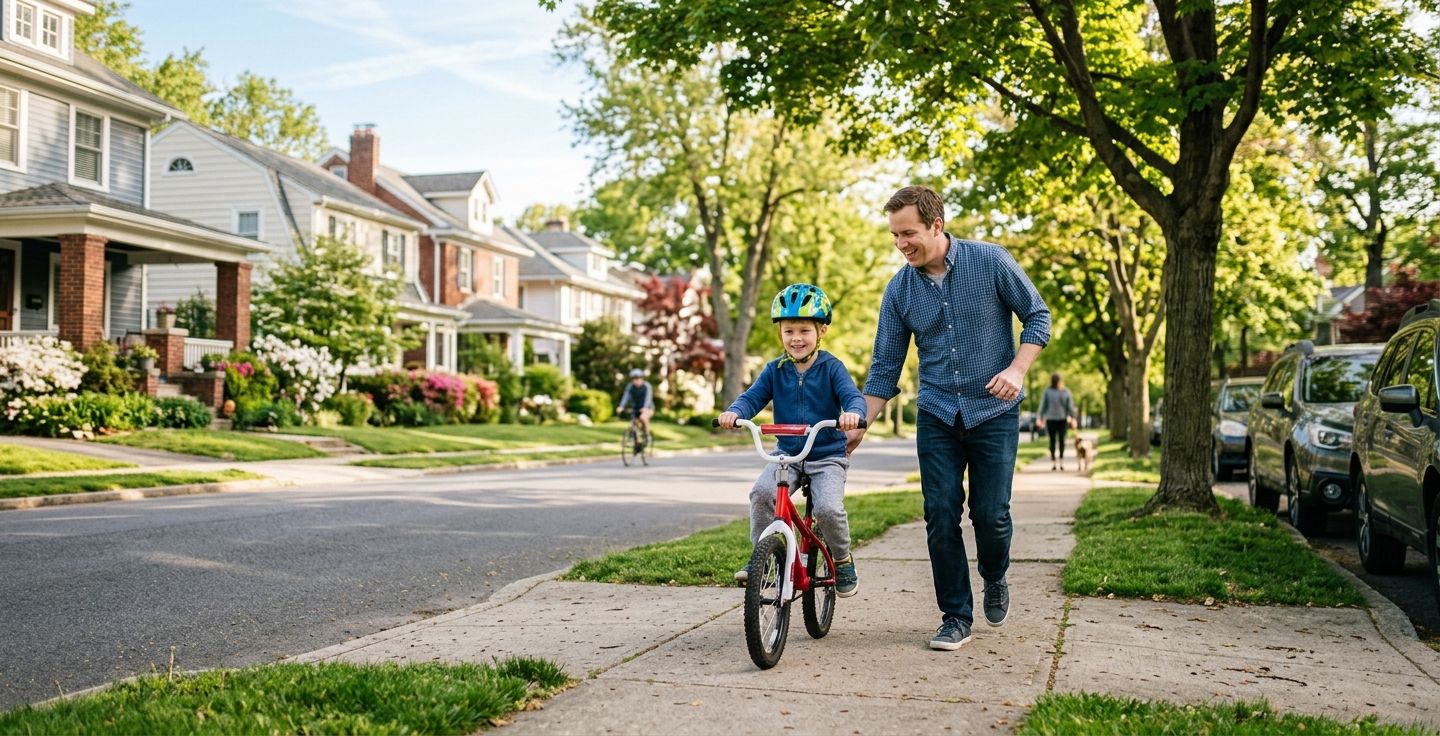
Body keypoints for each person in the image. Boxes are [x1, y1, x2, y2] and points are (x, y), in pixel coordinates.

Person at [847, 185, 1050, 651]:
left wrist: (1017, 370)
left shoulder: (991, 261)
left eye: (909, 233)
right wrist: (861, 423)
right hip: (937, 412)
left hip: (993, 410)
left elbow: (1037, 317)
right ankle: (955, 616)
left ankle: (995, 576)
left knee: (990, 515)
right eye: (895, 236)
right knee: (940, 514)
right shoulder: (898, 289)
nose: (902, 244)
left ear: (936, 225)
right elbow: (884, 366)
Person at [719, 283, 866, 596]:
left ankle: (842, 559)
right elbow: (752, 397)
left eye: (804, 330)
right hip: (787, 454)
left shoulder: (831, 367)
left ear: (821, 331)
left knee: (827, 509)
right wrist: (734, 412)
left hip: (826, 455)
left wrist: (852, 413)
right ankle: (761, 557)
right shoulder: (775, 369)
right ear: (780, 333)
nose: (796, 338)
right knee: (761, 492)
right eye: (788, 331)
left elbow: (852, 397)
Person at [1039, 373, 1078, 471]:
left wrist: (1073, 417)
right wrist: (1039, 417)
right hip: (1055, 419)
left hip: (1060, 420)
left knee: (1057, 441)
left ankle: (1057, 462)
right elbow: (1043, 405)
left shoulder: (1064, 392)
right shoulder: (1050, 391)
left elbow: (1069, 407)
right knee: (1057, 441)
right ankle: (1057, 462)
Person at [617, 368, 654, 439]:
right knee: (633, 423)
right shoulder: (630, 387)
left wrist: (645, 407)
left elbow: (648, 398)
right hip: (636, 408)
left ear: (642, 379)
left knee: (643, 418)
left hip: (648, 407)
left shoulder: (647, 386)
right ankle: (635, 441)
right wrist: (621, 406)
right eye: (634, 379)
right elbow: (626, 396)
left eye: (637, 378)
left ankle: (647, 435)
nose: (636, 381)